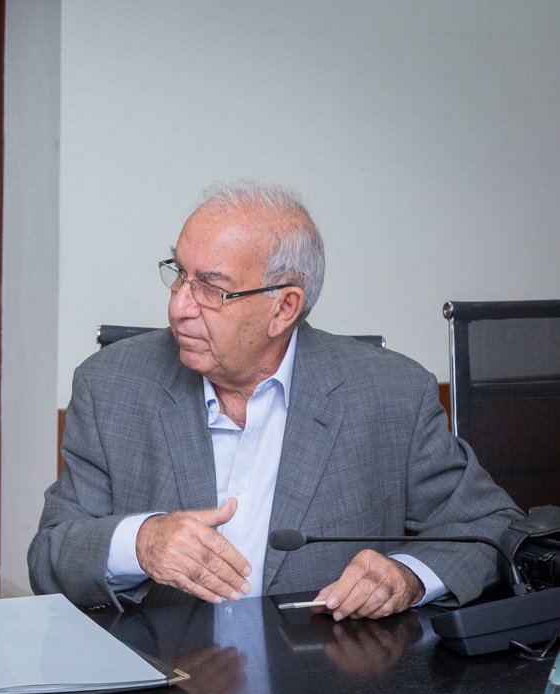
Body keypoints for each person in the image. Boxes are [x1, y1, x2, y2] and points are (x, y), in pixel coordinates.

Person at [28, 180, 521, 620]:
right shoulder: (110, 386)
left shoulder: (391, 394)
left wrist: (408, 576)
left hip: (328, 678)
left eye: (211, 288)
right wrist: (141, 542)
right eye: (179, 274)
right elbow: (50, 556)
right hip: (164, 673)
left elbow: (493, 527)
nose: (178, 306)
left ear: (284, 308)